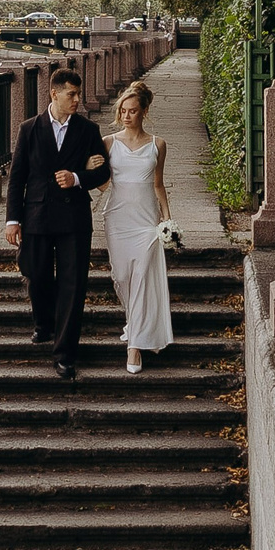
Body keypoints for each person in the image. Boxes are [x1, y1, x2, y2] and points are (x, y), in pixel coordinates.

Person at [4, 69, 111, 380]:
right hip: (36, 215)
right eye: (71, 94)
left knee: (73, 285)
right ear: (54, 93)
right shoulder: (29, 129)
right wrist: (13, 220)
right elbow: (17, 178)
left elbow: (103, 173)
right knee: (36, 274)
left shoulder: (88, 129)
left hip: (74, 217)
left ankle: (65, 354)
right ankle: (44, 323)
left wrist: (77, 177)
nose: (77, 99)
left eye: (78, 94)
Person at [99, 79, 175, 373]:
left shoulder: (158, 145)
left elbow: (158, 184)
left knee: (143, 274)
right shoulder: (108, 142)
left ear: (144, 111)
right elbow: (101, 184)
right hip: (117, 218)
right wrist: (92, 170)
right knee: (122, 277)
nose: (126, 115)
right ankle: (136, 322)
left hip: (146, 221)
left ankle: (134, 347)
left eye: (132, 111)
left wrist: (167, 219)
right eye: (123, 111)